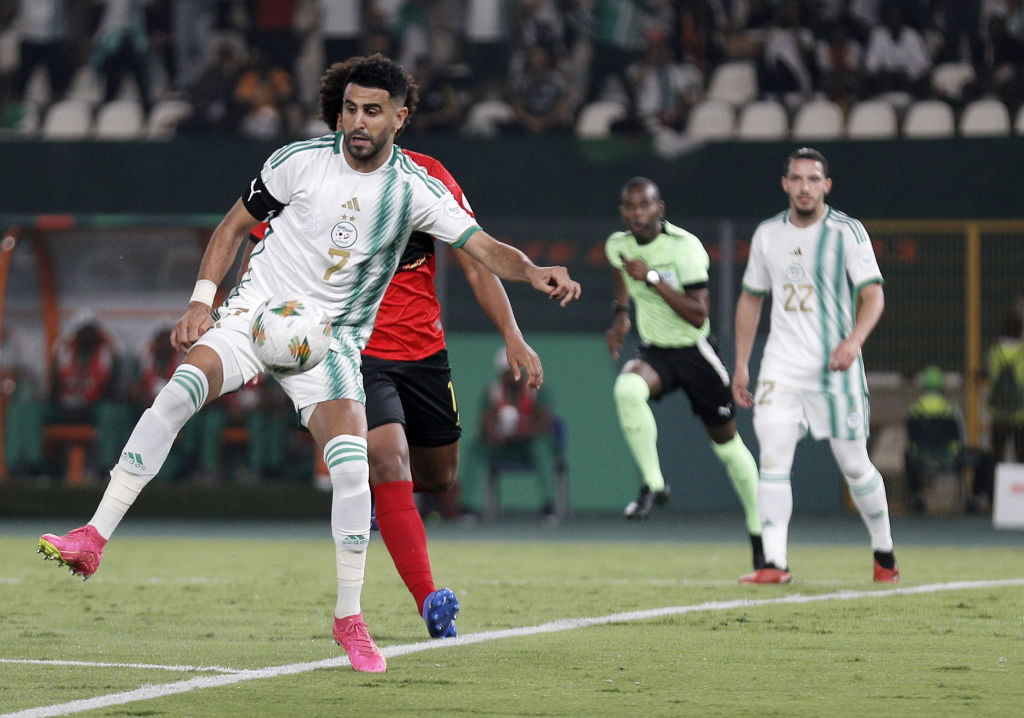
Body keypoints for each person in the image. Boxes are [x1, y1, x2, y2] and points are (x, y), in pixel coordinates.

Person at [37, 53, 581, 674]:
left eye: (372, 111)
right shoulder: (297, 162)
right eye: (350, 108)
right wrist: (200, 303)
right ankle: (93, 536)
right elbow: (232, 226)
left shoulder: (415, 190)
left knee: (354, 469)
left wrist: (535, 272)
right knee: (180, 389)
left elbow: (482, 249)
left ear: (399, 118)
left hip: (332, 343)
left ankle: (349, 617)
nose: (357, 121)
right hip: (253, 318)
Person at [732, 147, 899, 585]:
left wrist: (853, 342)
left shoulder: (847, 232)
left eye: (813, 179)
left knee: (855, 465)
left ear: (826, 186)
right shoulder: (768, 234)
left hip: (834, 371)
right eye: (796, 179)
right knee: (772, 458)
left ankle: (884, 553)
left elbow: (873, 295)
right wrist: (741, 363)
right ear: (785, 184)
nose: (804, 187)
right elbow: (751, 298)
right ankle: (774, 562)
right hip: (780, 369)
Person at [605, 177, 764, 572]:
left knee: (727, 446)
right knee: (627, 388)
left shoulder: (685, 248)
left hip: (695, 352)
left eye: (645, 205)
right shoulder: (618, 245)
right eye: (630, 207)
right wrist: (622, 315)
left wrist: (653, 279)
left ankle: (761, 532)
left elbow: (699, 315)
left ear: (660, 209)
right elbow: (620, 273)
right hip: (656, 351)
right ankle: (654, 485)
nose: (637, 213)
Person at [464, 348, 559, 517]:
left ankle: (549, 506)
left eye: (515, 370)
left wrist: (522, 431)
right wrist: (494, 433)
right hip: (501, 447)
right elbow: (484, 424)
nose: (512, 376)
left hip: (527, 446)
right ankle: (467, 508)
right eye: (507, 372)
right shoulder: (492, 391)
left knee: (543, 447)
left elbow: (545, 424)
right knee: (475, 448)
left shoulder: (536, 388)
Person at [904, 365, 964, 512]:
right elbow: (960, 437)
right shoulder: (951, 410)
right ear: (942, 385)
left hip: (920, 459)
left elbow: (910, 438)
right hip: (948, 459)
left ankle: (917, 495)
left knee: (907, 455)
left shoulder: (914, 410)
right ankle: (971, 500)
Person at [985, 312, 1024, 463]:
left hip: (999, 412)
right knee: (1021, 457)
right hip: (1020, 413)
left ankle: (996, 484)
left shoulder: (995, 351)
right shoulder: (1022, 354)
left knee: (997, 455)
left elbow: (992, 375)